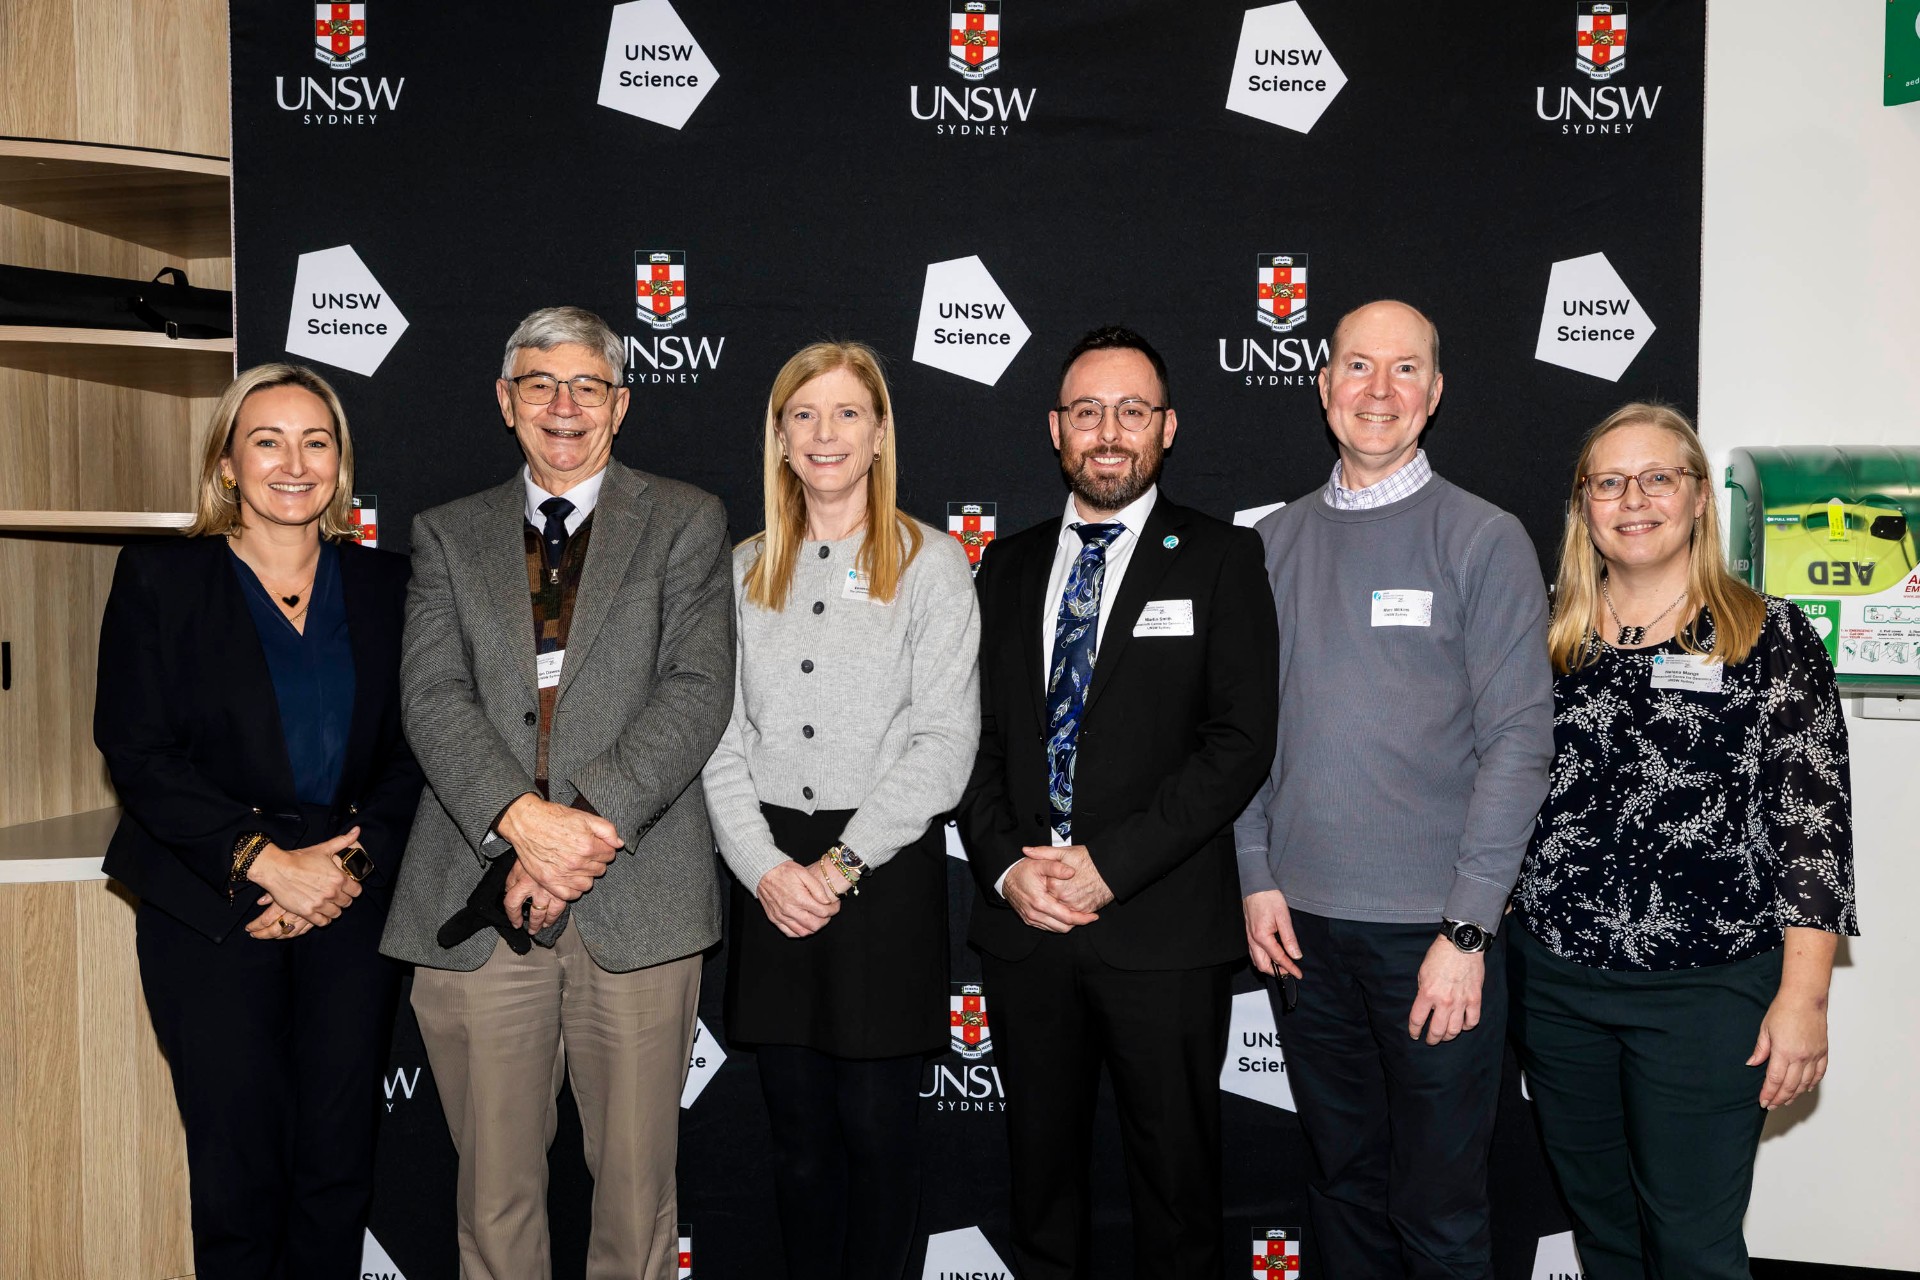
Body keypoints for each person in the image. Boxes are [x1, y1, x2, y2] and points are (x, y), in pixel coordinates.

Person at [379, 306, 734, 1280]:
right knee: (492, 1201)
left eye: (587, 386)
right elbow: (431, 694)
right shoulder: (446, 535)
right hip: (476, 892)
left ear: (619, 405)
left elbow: (697, 690)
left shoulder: (688, 520)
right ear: (506, 400)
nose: (563, 405)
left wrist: (580, 830)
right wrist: (523, 825)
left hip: (638, 902)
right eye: (540, 383)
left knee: (634, 1202)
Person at [1235, 300, 1555, 1279]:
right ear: (1324, 386)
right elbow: (1239, 733)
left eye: (1405, 369)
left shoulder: (1483, 537)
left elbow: (1519, 742)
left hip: (1434, 938)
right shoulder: (1272, 542)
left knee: (1442, 1203)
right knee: (1341, 1182)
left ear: (1437, 392)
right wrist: (1254, 872)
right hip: (1302, 934)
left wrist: (1466, 932)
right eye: (1359, 368)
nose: (1380, 391)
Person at [957, 325, 1278, 1280]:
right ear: (1056, 428)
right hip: (1027, 933)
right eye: (1088, 412)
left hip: (1161, 931)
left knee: (1177, 1197)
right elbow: (966, 744)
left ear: (1168, 428)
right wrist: (1011, 867)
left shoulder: (1223, 558)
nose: (1109, 432)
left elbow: (1238, 746)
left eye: (1131, 412)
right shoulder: (1002, 568)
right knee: (1040, 1195)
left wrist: (1109, 867)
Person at [1509, 403, 1856, 1279]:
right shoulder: (1545, 636)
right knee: (1606, 1234)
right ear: (1583, 504)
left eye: (1658, 477)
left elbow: (1810, 829)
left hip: (1706, 996)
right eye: (1609, 482)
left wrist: (1804, 999)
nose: (1635, 500)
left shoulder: (1765, 636)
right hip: (1558, 988)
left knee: (1695, 1245)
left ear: (1699, 498)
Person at [94, 363, 422, 1279]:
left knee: (335, 1170)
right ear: (229, 464)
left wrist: (341, 874)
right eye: (267, 441)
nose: (293, 462)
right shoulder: (163, 577)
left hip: (350, 903)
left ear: (340, 463)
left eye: (315, 441)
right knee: (236, 1175)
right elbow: (137, 751)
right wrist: (266, 865)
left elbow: (417, 754)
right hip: (208, 903)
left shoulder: (392, 585)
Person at [700, 341, 980, 1280]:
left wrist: (841, 865)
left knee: (877, 1136)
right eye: (805, 415)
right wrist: (767, 869)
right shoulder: (738, 569)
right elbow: (717, 738)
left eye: (848, 413)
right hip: (770, 878)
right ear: (779, 438)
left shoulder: (933, 564)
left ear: (881, 433)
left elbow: (945, 745)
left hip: (881, 879)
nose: (827, 434)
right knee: (799, 1144)